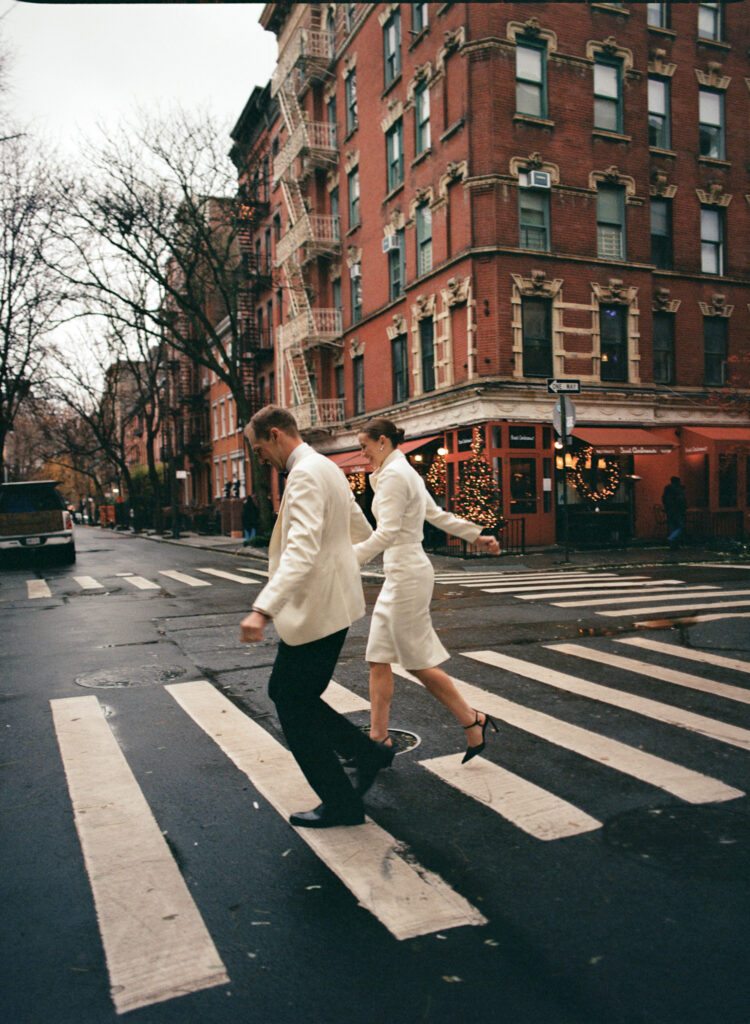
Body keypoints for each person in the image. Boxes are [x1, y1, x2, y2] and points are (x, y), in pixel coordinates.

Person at [239, 406, 393, 829]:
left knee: (289, 700)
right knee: (295, 696)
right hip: (332, 606)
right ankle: (368, 754)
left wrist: (262, 608)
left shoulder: (306, 473)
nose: (260, 458)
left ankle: (342, 802)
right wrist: (343, 561)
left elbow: (302, 549)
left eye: (258, 448)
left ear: (274, 435)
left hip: (315, 611)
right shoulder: (326, 467)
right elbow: (360, 527)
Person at [353, 418, 502, 763]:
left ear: (383, 442)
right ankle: (379, 740)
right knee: (378, 657)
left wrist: (349, 560)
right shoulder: (401, 471)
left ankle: (472, 719)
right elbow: (435, 514)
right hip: (401, 572)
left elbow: (387, 532)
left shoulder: (394, 476)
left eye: (364, 446)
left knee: (417, 662)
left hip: (407, 575)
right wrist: (475, 535)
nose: (361, 454)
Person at [662, 476, 687, 550]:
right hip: (678, 511)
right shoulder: (678, 490)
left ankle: (673, 544)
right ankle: (671, 538)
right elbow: (681, 500)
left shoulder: (667, 489)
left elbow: (663, 499)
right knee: (681, 526)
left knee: (672, 527)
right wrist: (683, 508)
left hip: (669, 511)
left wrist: (667, 507)